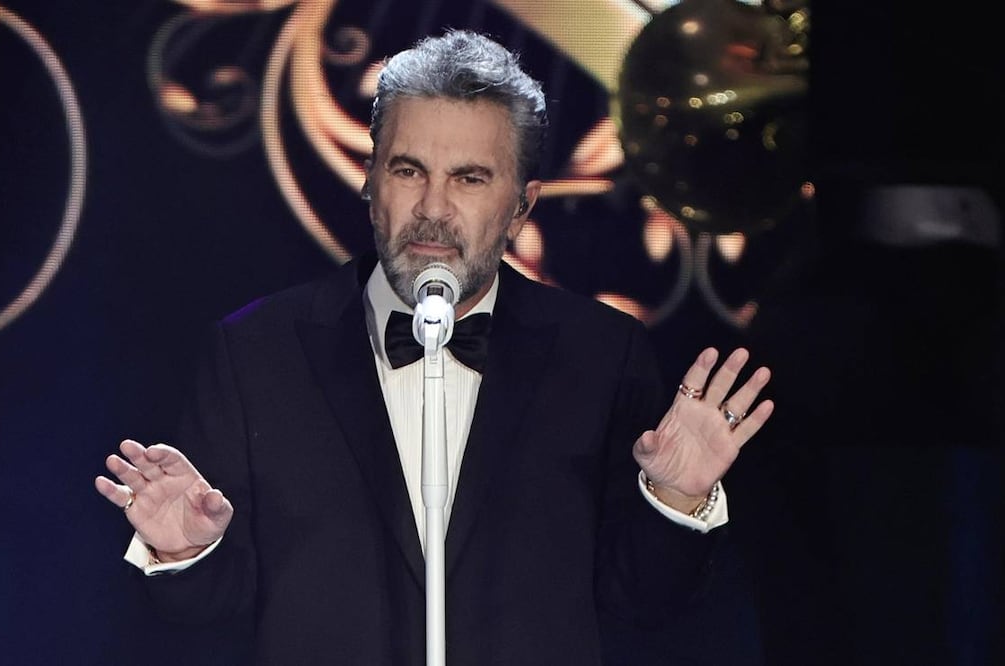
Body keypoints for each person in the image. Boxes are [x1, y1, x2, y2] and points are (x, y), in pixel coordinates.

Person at [94, 29, 773, 665]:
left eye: (470, 178)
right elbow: (208, 617)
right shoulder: (254, 352)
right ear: (370, 181)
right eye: (409, 170)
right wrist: (186, 553)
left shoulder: (602, 354)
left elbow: (646, 605)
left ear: (521, 205)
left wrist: (674, 500)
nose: (433, 208)